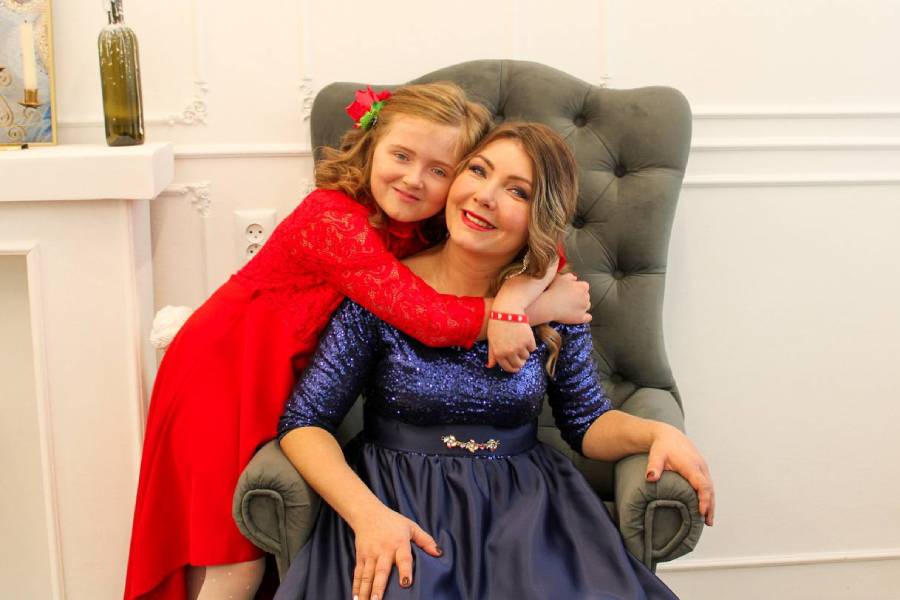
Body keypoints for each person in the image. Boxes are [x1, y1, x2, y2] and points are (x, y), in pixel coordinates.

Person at [124, 85, 592, 600]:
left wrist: (515, 295)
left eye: (439, 170)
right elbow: (429, 319)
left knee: (236, 554)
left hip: (277, 373)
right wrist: (530, 310)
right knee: (230, 561)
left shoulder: (422, 221)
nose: (414, 179)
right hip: (224, 370)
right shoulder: (331, 218)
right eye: (401, 156)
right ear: (371, 146)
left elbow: (547, 250)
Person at [275, 122, 716, 600]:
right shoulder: (383, 294)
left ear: (540, 216)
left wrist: (657, 433)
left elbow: (586, 421)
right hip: (397, 499)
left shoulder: (555, 305)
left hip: (527, 510)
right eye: (478, 171)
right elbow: (305, 421)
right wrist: (368, 516)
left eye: (517, 191)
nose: (484, 196)